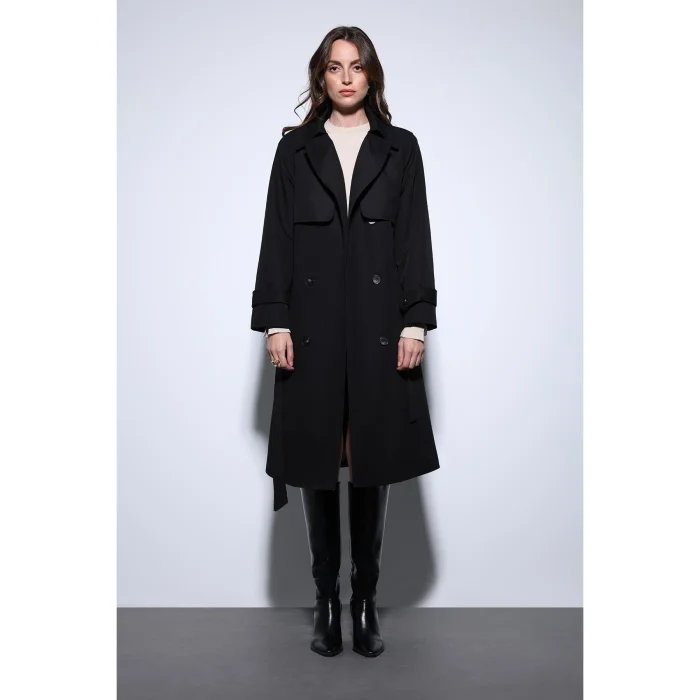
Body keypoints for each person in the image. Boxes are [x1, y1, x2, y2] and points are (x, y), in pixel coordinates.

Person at [250, 26, 440, 657]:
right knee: (316, 458)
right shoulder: (295, 149)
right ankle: (326, 602)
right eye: (335, 67)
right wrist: (275, 321)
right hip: (312, 325)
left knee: (371, 459)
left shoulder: (400, 148)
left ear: (371, 75)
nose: (347, 77)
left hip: (380, 325)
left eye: (356, 66)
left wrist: (415, 321)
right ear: (322, 76)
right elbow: (277, 236)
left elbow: (414, 236)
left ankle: (365, 602)